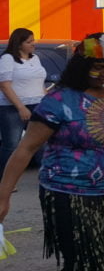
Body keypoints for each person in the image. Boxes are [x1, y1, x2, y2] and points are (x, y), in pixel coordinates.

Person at [0, 31, 104, 270]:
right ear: (82, 66)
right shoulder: (59, 100)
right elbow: (25, 149)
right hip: (68, 195)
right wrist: (3, 198)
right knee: (83, 263)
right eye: (98, 67)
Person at [0, 28, 46, 175]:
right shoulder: (7, 59)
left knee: (42, 141)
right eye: (29, 41)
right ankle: (5, 179)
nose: (33, 44)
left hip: (38, 104)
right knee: (11, 144)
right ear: (19, 44)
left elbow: (40, 83)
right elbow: (5, 86)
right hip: (13, 107)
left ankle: (46, 175)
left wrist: (47, 101)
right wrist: (20, 107)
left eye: (33, 40)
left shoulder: (35, 58)